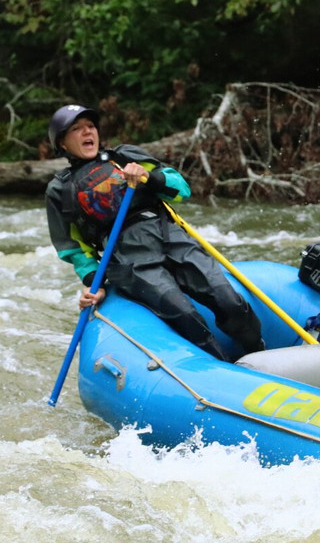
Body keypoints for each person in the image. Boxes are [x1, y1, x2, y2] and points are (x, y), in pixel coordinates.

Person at [45, 104, 264, 360]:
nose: (87, 132)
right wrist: (95, 281)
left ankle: (258, 353)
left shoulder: (124, 156)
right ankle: (222, 368)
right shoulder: (60, 190)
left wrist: (148, 177)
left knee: (229, 301)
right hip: (127, 257)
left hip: (169, 236)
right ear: (61, 142)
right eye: (76, 129)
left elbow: (181, 189)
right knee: (184, 315)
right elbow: (73, 247)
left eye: (90, 126)